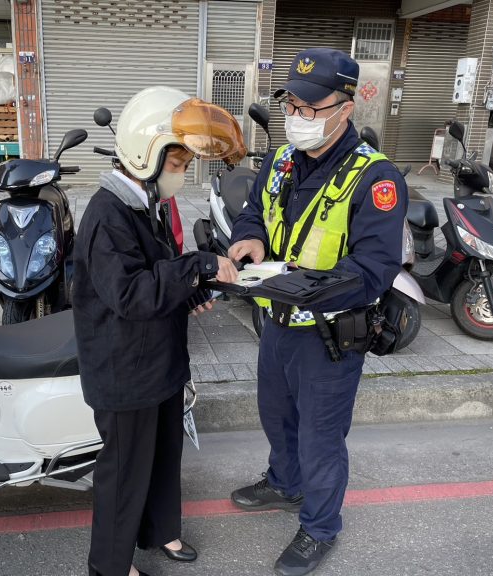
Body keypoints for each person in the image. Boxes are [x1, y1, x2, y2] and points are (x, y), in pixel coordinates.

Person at [228, 48, 408, 576]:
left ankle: (320, 526)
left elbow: (374, 267)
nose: (297, 116)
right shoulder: (281, 160)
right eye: (291, 104)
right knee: (276, 417)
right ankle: (285, 484)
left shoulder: (375, 177)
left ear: (344, 109)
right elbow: (251, 213)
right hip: (277, 323)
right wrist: (249, 242)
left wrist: (301, 288)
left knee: (320, 438)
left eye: (310, 107)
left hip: (329, 336)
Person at [72, 85, 245, 576]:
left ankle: (159, 532)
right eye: (178, 163)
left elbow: (159, 272)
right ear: (146, 155)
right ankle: (110, 566)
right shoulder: (108, 215)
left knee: (164, 455)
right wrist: (197, 265)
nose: (182, 174)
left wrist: (192, 290)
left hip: (158, 363)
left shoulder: (143, 205)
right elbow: (130, 294)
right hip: (124, 369)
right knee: (124, 473)